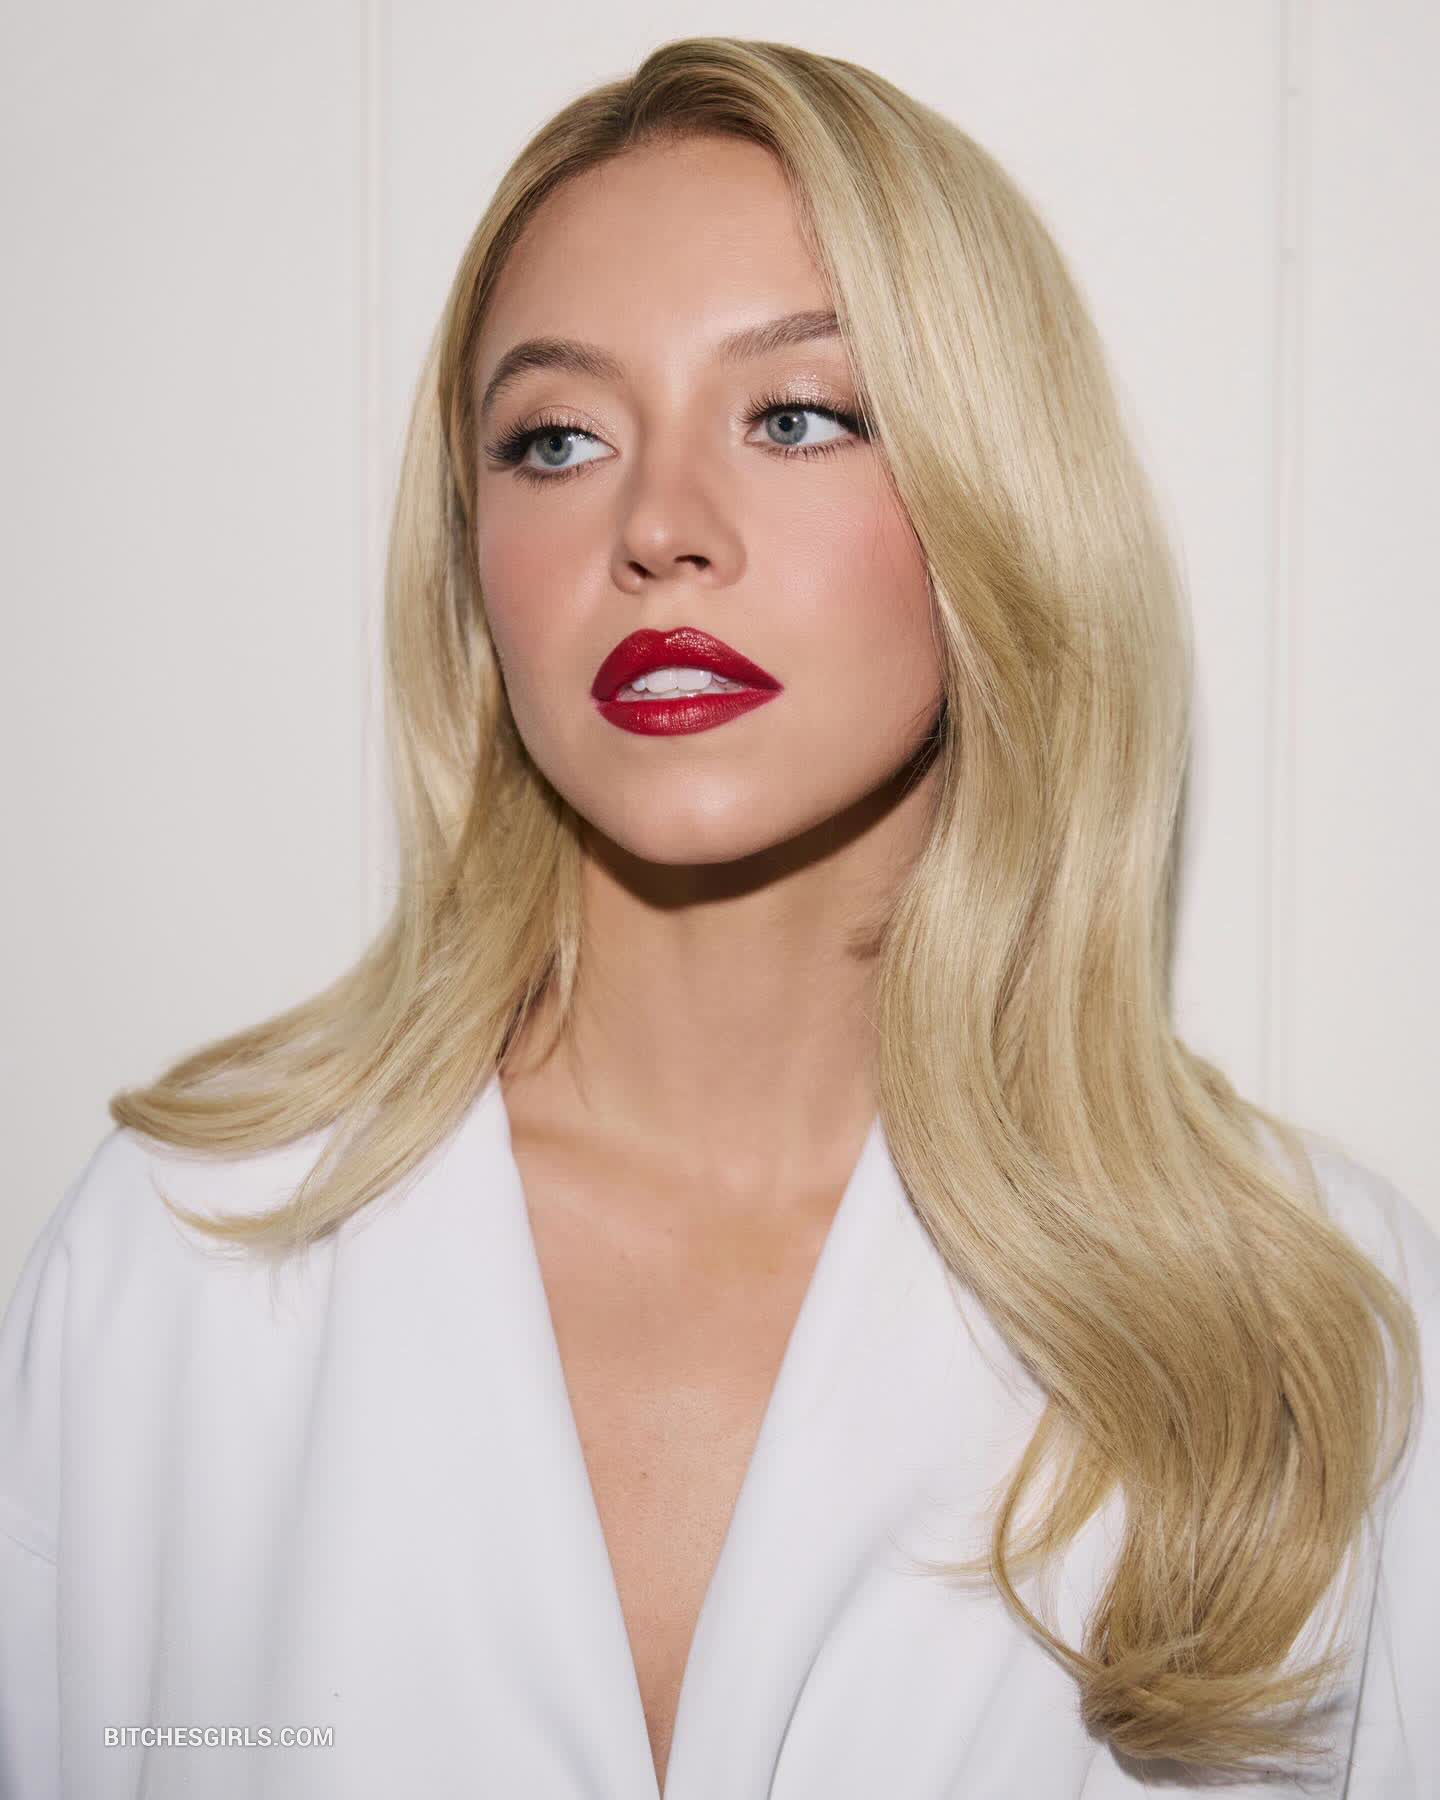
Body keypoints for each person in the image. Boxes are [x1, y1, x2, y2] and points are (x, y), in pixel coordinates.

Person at [1, 34, 1435, 1800]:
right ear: (474, 564)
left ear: (999, 499)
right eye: (556, 439)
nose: (659, 527)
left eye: (795, 416)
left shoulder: (1306, 1339)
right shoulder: (182, 1259)